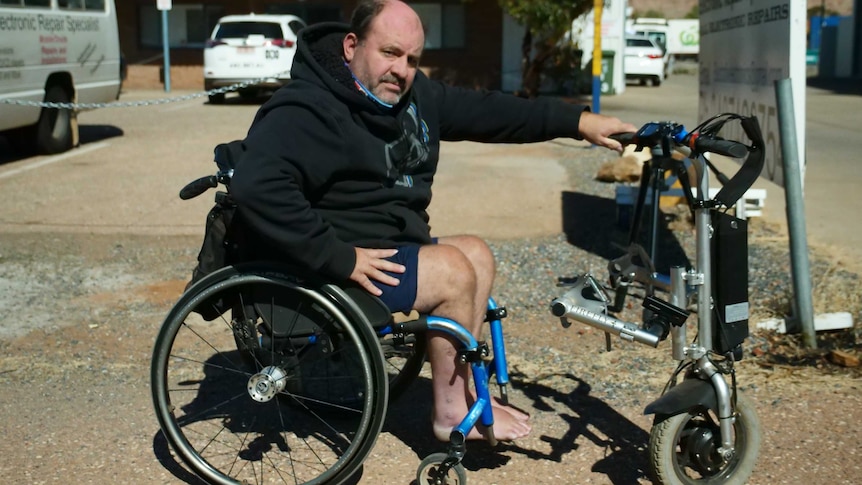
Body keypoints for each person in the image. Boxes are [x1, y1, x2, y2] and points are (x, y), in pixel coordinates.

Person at [230, 0, 636, 442]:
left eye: (412, 59)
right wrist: (338, 256)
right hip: (334, 260)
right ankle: (449, 415)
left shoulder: (413, 95)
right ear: (352, 46)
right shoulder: (306, 107)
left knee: (475, 253)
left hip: (385, 244)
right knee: (452, 272)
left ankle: (463, 392)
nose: (401, 70)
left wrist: (577, 121)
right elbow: (256, 187)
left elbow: (493, 112)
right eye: (389, 53)